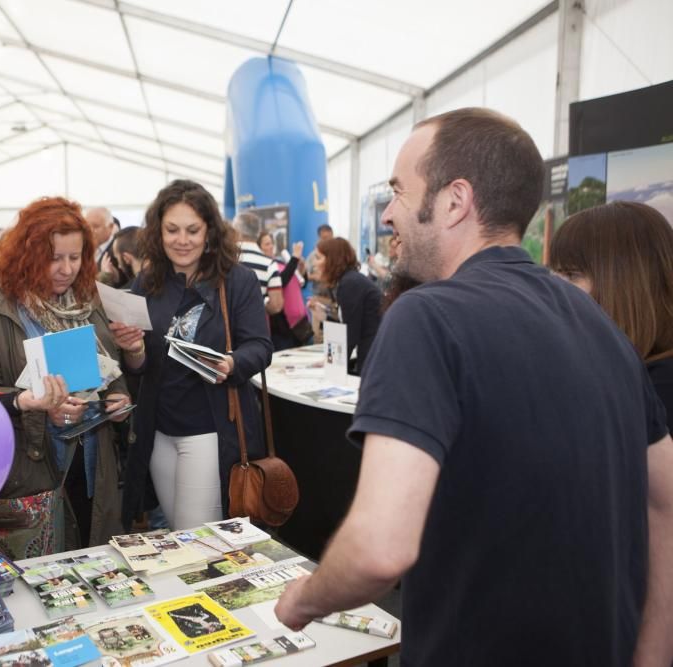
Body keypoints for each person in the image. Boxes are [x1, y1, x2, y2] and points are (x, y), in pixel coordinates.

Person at [274, 108, 673, 666]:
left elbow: (379, 548)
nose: (388, 213)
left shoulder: (424, 320)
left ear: (455, 201)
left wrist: (300, 601)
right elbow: (665, 501)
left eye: (399, 191)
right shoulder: (600, 325)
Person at [0, 196, 131, 562]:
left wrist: (118, 398)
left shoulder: (87, 299)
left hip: (91, 466)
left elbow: (110, 368)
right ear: (28, 254)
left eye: (75, 257)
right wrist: (37, 408)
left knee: (93, 567)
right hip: (29, 473)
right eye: (54, 258)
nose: (66, 269)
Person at [109, 180, 273, 531]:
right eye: (172, 230)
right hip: (159, 431)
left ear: (210, 232)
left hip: (209, 431)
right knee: (178, 532)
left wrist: (231, 363)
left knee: (195, 539)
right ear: (158, 231)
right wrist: (133, 349)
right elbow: (139, 366)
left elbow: (260, 347)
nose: (182, 240)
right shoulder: (147, 282)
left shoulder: (237, 280)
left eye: (192, 230)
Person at [549, 201, 673, 431]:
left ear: (626, 282)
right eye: (554, 273)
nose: (553, 286)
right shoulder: (619, 372)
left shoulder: (658, 389)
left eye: (571, 274)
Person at [315, 237, 382, 374]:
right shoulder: (350, 280)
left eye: (319, 258)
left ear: (332, 259)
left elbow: (350, 333)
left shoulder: (349, 283)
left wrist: (331, 363)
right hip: (373, 351)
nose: (315, 263)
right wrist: (325, 317)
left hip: (373, 355)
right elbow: (349, 324)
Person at [258, 230, 310, 350]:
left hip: (299, 324)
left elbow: (302, 283)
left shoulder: (280, 262)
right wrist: (295, 258)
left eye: (271, 243)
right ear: (259, 248)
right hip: (281, 327)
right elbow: (281, 281)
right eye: (266, 244)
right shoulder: (265, 267)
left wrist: (301, 270)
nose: (271, 246)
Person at [233, 212, 283, 316]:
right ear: (258, 232)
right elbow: (276, 306)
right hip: (254, 327)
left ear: (237, 231)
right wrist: (262, 301)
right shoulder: (269, 264)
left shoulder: (223, 258)